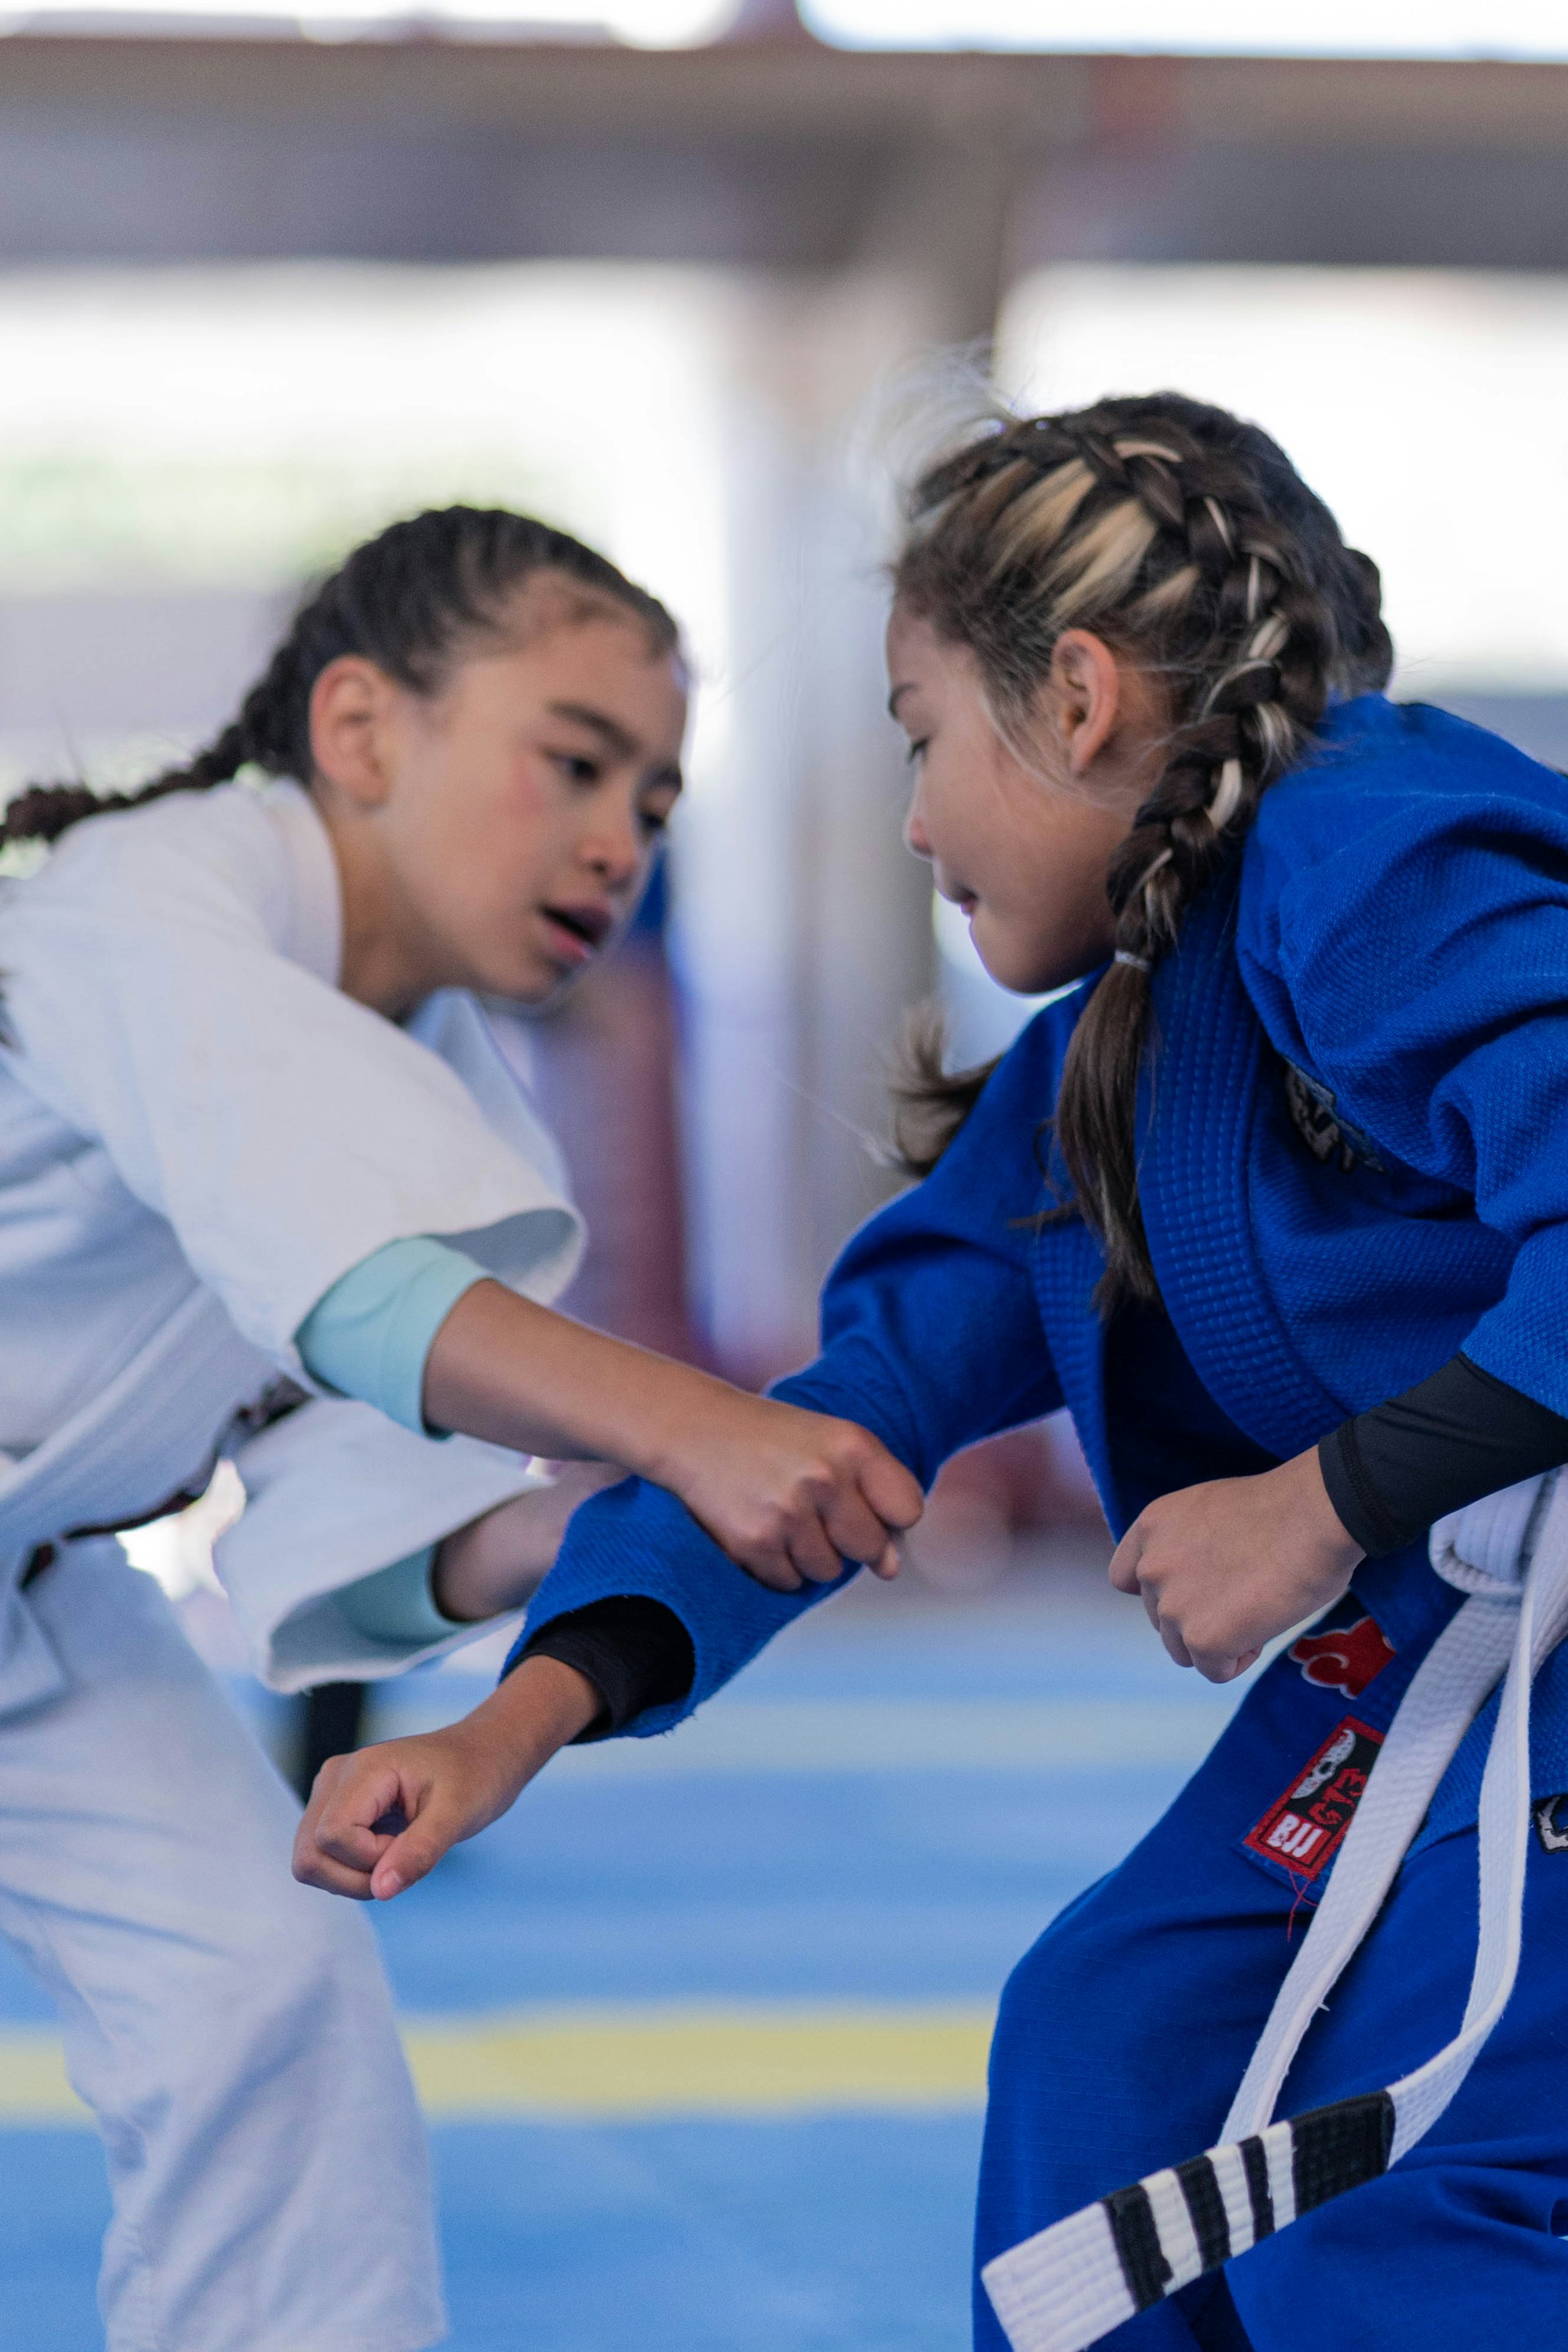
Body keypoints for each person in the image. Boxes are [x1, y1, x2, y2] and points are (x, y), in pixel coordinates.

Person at [296, 405, 1568, 2351]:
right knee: (1107, 2052)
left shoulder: (1369, 847)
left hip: (1513, 1629)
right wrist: (516, 1723)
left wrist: (1318, 1506)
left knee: (1405, 2210)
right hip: (1431, 1652)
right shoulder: (1103, 1079)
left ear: (1075, 698)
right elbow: (831, 1432)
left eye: (919, 734)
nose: (910, 821)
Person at [0, 503, 922, 2352]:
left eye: (654, 802)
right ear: (360, 729)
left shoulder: (441, 1099)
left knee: (270, 1996)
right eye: (573, 763)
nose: (618, 841)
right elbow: (352, 1290)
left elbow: (354, 1491)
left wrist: (607, 1511)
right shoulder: (143, 899)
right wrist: (695, 1427)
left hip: (33, 1602)